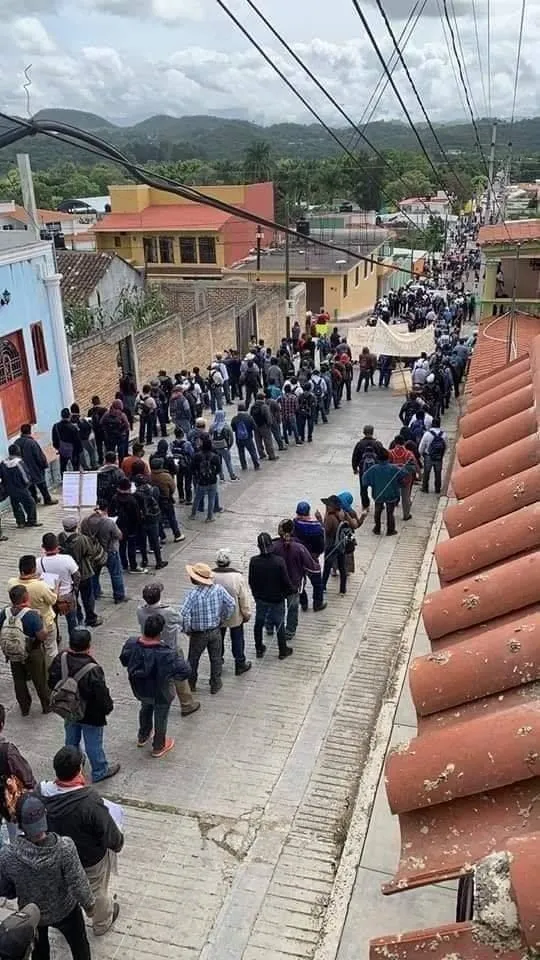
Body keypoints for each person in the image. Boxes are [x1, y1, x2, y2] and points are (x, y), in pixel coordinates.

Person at [0, 792, 95, 960]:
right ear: (45, 816)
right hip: (65, 909)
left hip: (32, 916)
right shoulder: (65, 847)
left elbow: (5, 888)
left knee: (39, 951)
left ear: (20, 824)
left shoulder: (8, 855)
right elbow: (78, 881)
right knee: (80, 946)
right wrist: (89, 905)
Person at [39, 746, 122, 937]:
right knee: (96, 891)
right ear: (79, 770)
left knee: (66, 885)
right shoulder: (89, 801)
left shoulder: (42, 793)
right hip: (90, 857)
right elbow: (109, 832)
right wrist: (118, 843)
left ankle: (67, 916)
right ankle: (102, 923)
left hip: (57, 854)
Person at [48, 628, 119, 783]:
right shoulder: (93, 669)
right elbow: (101, 695)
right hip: (91, 715)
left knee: (71, 738)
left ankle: (73, 765)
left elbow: (51, 681)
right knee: (93, 743)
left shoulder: (61, 658)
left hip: (68, 708)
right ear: (89, 646)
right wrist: (108, 708)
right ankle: (99, 771)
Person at [120, 613, 191, 758]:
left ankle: (143, 735)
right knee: (161, 715)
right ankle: (158, 745)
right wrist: (171, 676)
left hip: (140, 689)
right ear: (160, 632)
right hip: (161, 692)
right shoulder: (168, 652)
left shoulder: (131, 644)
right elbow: (185, 671)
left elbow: (124, 660)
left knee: (145, 707)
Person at [137, 583, 200, 716]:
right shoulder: (168, 611)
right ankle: (187, 704)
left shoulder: (140, 611)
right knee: (179, 676)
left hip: (149, 648)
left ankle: (154, 700)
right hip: (169, 648)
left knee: (155, 676)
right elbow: (181, 620)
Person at [180, 563, 235, 694]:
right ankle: (215, 684)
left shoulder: (193, 595)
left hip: (198, 633)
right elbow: (231, 604)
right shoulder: (219, 589)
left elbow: (184, 614)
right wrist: (223, 618)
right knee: (216, 659)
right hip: (215, 630)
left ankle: (191, 684)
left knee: (193, 660)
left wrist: (187, 629)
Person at [0, 586, 50, 717]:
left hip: (13, 652)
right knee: (40, 679)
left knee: (19, 680)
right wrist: (43, 621)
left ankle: (24, 707)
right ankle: (46, 705)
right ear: (26, 597)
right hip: (32, 652)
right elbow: (42, 636)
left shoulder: (4, 612)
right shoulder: (32, 615)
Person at [271, 520, 322, 642]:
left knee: (276, 607)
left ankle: (271, 627)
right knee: (292, 608)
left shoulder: (273, 547)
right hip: (294, 584)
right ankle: (290, 631)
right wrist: (317, 568)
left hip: (277, 584)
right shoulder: (299, 548)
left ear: (280, 531)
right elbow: (311, 567)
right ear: (292, 531)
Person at [248, 533, 294, 660]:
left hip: (261, 599)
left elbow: (251, 581)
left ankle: (259, 648)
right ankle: (282, 649)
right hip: (277, 599)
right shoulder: (279, 561)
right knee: (279, 624)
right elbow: (286, 581)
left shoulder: (254, 561)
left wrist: (256, 596)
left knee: (259, 623)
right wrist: (291, 590)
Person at [8, 556, 58, 666]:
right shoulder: (41, 585)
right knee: (50, 649)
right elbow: (53, 600)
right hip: (45, 623)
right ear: (34, 570)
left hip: (23, 623)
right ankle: (51, 671)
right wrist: (56, 587)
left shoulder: (12, 583)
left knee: (27, 647)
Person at [58, 517, 103, 629]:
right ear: (75, 527)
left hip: (68, 575)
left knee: (74, 597)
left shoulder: (59, 538)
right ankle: (91, 618)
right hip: (84, 572)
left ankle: (78, 618)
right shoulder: (83, 539)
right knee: (87, 597)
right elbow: (90, 552)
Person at [212, 549, 252, 676]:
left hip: (217, 615)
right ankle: (240, 663)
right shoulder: (237, 577)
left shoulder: (211, 575)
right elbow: (243, 598)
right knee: (237, 637)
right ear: (229, 561)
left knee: (218, 639)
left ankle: (218, 661)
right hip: (235, 614)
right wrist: (246, 613)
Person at [0, 703, 36, 842]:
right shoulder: (7, 751)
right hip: (6, 801)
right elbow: (26, 777)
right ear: (2, 724)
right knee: (13, 834)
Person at [81, 503, 126, 605]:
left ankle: (95, 593)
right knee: (116, 574)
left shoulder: (85, 521)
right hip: (110, 551)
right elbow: (119, 536)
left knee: (94, 574)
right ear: (106, 510)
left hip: (93, 552)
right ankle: (119, 596)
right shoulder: (109, 522)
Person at [38, 533, 80, 640]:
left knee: (53, 619)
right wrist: (75, 589)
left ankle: (56, 638)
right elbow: (77, 575)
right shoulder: (67, 559)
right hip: (67, 596)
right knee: (72, 620)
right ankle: (74, 641)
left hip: (50, 595)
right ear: (57, 545)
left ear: (43, 547)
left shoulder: (38, 562)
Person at [362, 449, 408, 536]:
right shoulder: (394, 468)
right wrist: (401, 466)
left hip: (378, 494)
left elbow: (364, 480)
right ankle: (390, 530)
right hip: (392, 494)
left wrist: (372, 483)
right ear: (388, 457)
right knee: (390, 513)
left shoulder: (373, 469)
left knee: (378, 511)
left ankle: (377, 528)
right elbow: (405, 473)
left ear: (377, 458)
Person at [132, 465, 168, 571]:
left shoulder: (135, 495)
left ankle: (144, 560)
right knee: (155, 541)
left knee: (143, 542)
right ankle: (159, 561)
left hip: (142, 521)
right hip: (153, 518)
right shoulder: (154, 490)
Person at [320, 496, 357, 595]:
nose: (326, 506)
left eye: (328, 505)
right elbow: (354, 525)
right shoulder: (343, 513)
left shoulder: (330, 517)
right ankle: (342, 589)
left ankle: (323, 587)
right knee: (342, 567)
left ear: (332, 506)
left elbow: (326, 531)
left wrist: (320, 520)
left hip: (331, 545)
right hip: (341, 544)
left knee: (327, 567)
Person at [292, 501, 326, 611]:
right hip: (312, 557)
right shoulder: (316, 527)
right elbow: (321, 546)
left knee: (300, 581)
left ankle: (304, 603)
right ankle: (317, 603)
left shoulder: (294, 525)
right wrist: (316, 554)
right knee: (317, 582)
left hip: (297, 558)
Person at [15, 426, 57, 507]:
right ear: (30, 431)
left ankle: (34, 499)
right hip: (34, 468)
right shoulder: (32, 443)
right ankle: (47, 499)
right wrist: (44, 465)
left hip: (24, 469)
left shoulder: (17, 442)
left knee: (30, 485)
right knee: (42, 485)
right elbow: (39, 456)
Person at [0, 446, 41, 530]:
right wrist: (27, 484)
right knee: (31, 503)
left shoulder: (3, 463)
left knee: (15, 505)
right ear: (18, 452)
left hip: (9, 489)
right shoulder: (19, 462)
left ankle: (20, 522)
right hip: (20, 488)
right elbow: (24, 475)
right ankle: (31, 521)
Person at [110, 479, 145, 574]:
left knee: (122, 546)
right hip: (131, 528)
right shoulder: (132, 500)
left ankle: (124, 564)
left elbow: (111, 513)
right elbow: (137, 516)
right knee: (131, 547)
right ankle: (133, 565)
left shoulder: (114, 498)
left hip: (119, 527)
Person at [351, 425, 386, 512]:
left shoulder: (359, 444)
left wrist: (355, 468)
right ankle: (379, 503)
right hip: (376, 470)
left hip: (364, 470)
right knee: (377, 487)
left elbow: (355, 457)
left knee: (363, 488)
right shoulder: (377, 444)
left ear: (364, 432)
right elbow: (383, 455)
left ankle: (365, 505)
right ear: (372, 432)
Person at [150, 457, 184, 542]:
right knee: (171, 517)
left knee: (158, 519)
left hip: (154, 500)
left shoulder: (149, 476)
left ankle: (162, 536)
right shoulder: (165, 476)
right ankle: (177, 534)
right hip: (166, 499)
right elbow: (172, 487)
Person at [190, 437, 221, 523]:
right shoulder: (215, 457)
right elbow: (218, 469)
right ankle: (209, 517)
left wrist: (196, 475)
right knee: (211, 499)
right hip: (212, 481)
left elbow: (192, 468)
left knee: (197, 498)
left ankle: (193, 514)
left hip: (201, 481)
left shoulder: (197, 456)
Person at [389, 435, 418, 521]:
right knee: (405, 497)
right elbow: (415, 464)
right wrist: (419, 474)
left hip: (394, 478)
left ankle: (390, 514)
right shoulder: (409, 453)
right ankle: (406, 515)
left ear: (395, 442)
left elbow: (387, 464)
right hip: (406, 478)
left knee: (392, 497)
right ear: (404, 442)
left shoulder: (390, 453)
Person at [419, 418, 447, 494]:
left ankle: (425, 488)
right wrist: (442, 455)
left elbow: (421, 447)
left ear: (432, 424)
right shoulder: (444, 434)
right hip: (439, 457)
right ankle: (437, 489)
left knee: (426, 472)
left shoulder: (427, 434)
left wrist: (421, 455)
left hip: (428, 456)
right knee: (438, 473)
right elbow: (445, 447)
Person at [210, 410, 239, 481]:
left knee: (218, 463)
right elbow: (231, 438)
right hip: (224, 447)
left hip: (216, 447)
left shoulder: (212, 426)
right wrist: (229, 446)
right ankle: (232, 475)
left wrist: (212, 445)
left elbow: (209, 436)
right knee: (228, 462)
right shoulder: (226, 426)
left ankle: (221, 477)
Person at [52, 409, 82, 474]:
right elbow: (77, 441)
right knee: (76, 467)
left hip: (62, 450)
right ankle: (76, 481)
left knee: (63, 468)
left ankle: (64, 480)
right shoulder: (73, 427)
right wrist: (79, 451)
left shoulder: (56, 426)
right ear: (69, 416)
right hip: (73, 451)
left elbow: (54, 440)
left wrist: (59, 448)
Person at [230, 404, 260, 471]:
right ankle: (256, 465)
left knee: (241, 452)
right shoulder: (249, 417)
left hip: (239, 438)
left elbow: (233, 428)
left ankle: (244, 466)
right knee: (252, 451)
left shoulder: (235, 418)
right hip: (248, 438)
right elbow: (255, 427)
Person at [250, 393, 278, 461]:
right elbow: (268, 417)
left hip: (256, 426)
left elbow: (250, 415)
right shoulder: (264, 406)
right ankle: (271, 455)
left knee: (258, 441)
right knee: (268, 441)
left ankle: (261, 454)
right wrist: (270, 424)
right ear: (263, 398)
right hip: (264, 426)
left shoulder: (253, 406)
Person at [70, 405, 98, 471]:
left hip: (76, 440)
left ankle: (85, 467)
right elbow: (88, 426)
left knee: (81, 453)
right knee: (91, 450)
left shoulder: (70, 420)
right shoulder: (80, 419)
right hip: (84, 439)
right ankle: (93, 465)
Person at [170, 428, 194, 504]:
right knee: (188, 482)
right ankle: (188, 498)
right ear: (182, 434)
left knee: (179, 481)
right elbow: (192, 453)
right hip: (186, 464)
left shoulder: (172, 443)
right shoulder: (187, 443)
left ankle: (181, 497)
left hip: (177, 463)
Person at [87, 396, 107, 465]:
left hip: (96, 432)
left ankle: (100, 460)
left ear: (92, 403)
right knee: (106, 445)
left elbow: (89, 422)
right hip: (104, 431)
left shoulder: (90, 411)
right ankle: (108, 458)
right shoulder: (104, 410)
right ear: (99, 401)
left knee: (99, 446)